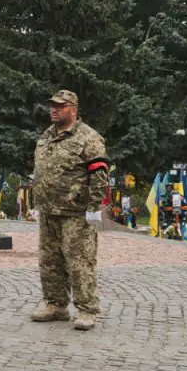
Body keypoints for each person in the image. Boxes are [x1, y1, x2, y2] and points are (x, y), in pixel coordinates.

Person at [30, 90, 110, 331]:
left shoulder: (88, 138)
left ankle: (87, 310)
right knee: (49, 261)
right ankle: (56, 305)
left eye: (59, 106)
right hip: (49, 210)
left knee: (79, 262)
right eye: (52, 106)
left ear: (73, 110)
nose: (53, 110)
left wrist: (95, 207)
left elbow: (99, 175)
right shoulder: (47, 136)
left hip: (76, 212)